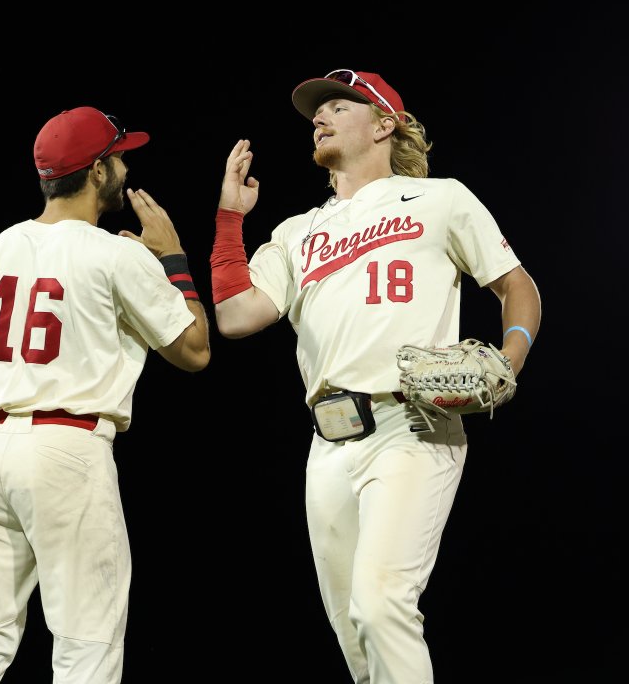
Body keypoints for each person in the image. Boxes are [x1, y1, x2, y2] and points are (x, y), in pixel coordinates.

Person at [208, 69, 542, 681]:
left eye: (339, 106)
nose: (320, 117)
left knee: (381, 604)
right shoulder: (296, 232)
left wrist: (508, 358)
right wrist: (231, 217)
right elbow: (234, 315)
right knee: (357, 641)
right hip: (327, 444)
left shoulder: (440, 199)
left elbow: (517, 286)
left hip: (411, 424)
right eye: (319, 111)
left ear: (385, 124)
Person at [0, 106, 211, 683]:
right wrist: (172, 259)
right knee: (87, 643)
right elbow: (195, 350)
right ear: (98, 170)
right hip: (68, 451)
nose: (125, 167)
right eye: (119, 156)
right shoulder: (116, 254)